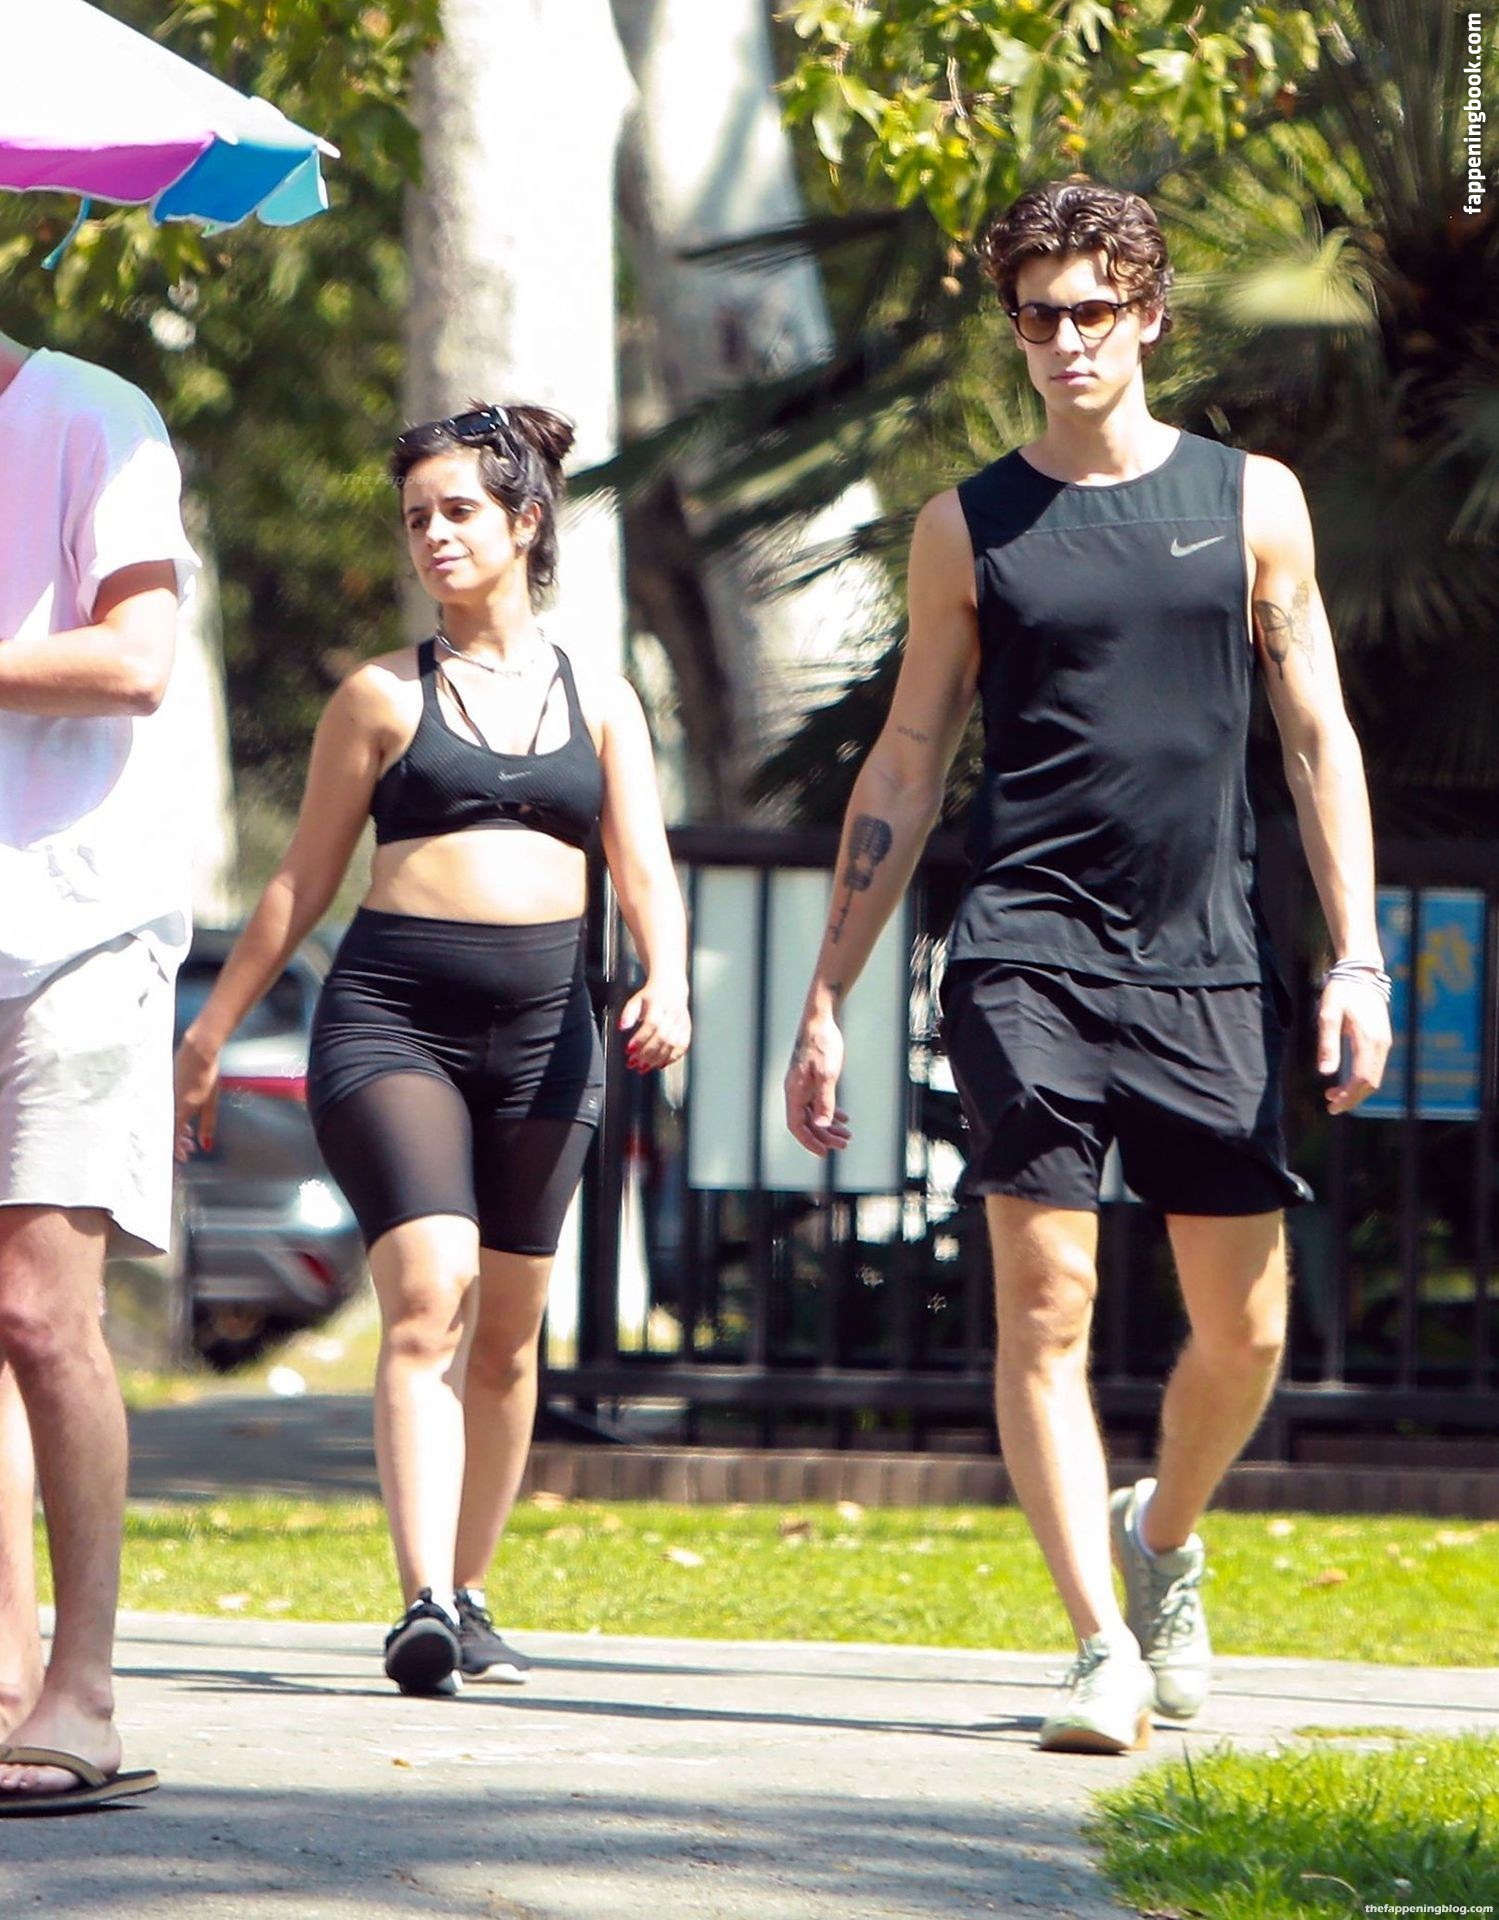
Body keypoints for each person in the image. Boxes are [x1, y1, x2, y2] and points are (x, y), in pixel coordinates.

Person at [784, 179, 1391, 1755]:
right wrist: (827, 994)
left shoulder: (1252, 503)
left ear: (1150, 316)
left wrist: (1360, 958)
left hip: (1207, 959)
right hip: (1025, 951)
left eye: (1093, 311)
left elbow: (1317, 735)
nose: (1065, 340)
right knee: (1047, 1302)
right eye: (1037, 315)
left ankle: (1162, 1535)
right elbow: (908, 759)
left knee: (1245, 1332)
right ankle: (1098, 1645)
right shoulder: (967, 525)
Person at [175, 401, 689, 1697]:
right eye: (416, 518)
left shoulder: (602, 700)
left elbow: (644, 869)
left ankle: (470, 1591)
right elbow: (299, 882)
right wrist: (212, 1030)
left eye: (458, 510)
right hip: (391, 1022)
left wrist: (670, 977)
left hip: (549, 1035)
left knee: (507, 1334)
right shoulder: (380, 697)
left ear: (526, 520)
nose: (433, 536)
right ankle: (420, 1604)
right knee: (431, 1294)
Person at [0, 332, 199, 1812]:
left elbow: (137, 660)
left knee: (36, 1307)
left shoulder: (93, 417)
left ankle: (85, 1687)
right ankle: (5, 1674)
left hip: (78, 921)